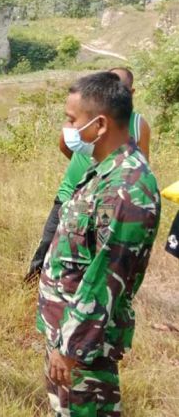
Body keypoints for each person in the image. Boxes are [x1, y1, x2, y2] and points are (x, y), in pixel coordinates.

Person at [37, 72, 160, 416]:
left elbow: (106, 276)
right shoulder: (104, 170)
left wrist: (72, 347)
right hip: (68, 329)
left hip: (83, 345)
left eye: (72, 119)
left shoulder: (127, 187)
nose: (68, 128)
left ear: (100, 124)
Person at [24, 67, 152, 283]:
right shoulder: (88, 118)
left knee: (94, 253)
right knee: (50, 244)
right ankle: (33, 283)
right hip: (71, 193)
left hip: (104, 202)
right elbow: (66, 146)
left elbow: (142, 165)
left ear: (131, 92)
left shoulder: (138, 126)